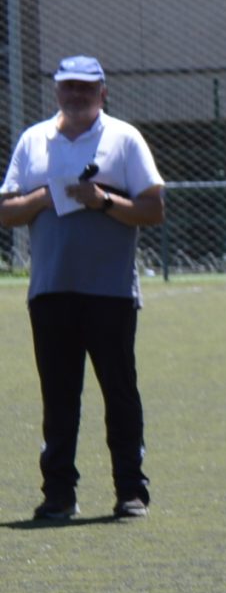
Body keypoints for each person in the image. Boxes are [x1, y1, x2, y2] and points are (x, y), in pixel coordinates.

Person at [2, 56, 167, 522]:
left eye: (85, 88)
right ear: (56, 91)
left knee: (119, 391)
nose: (76, 95)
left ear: (103, 92)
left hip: (110, 292)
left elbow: (154, 209)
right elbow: (6, 211)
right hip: (51, 290)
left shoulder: (124, 139)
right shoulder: (34, 140)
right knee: (58, 397)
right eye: (68, 87)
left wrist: (103, 201)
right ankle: (58, 495)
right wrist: (49, 195)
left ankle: (131, 491)